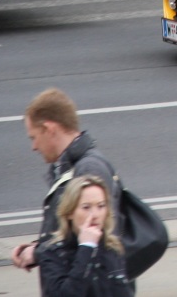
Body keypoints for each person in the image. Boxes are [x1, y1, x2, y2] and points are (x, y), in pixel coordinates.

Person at [11, 88, 121, 274]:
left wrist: (38, 253)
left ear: (49, 129)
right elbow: (72, 230)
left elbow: (92, 239)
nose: (34, 147)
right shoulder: (69, 167)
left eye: (34, 137)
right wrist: (38, 248)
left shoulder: (88, 169)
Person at [39, 175, 135, 297]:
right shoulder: (52, 253)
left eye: (101, 206)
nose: (95, 215)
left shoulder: (113, 248)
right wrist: (86, 248)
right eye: (86, 207)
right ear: (69, 212)